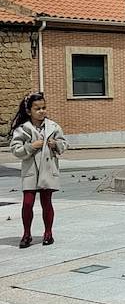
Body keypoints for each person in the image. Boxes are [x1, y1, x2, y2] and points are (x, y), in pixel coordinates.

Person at [9, 92, 66, 248]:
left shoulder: (53, 127)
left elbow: (64, 144)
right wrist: (31, 146)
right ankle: (26, 234)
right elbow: (15, 149)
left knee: (46, 203)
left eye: (44, 108)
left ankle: (48, 233)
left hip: (48, 169)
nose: (42, 111)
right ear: (29, 111)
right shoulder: (23, 129)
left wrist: (55, 145)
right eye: (37, 108)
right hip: (31, 170)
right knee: (27, 203)